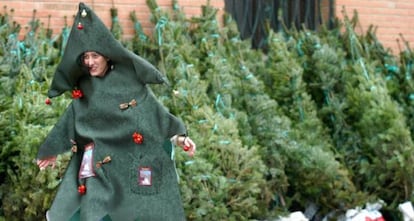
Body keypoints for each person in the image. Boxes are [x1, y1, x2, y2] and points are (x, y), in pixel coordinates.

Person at [36, 3, 196, 221]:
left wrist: (180, 139)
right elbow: (72, 118)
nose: (90, 62)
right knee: (84, 210)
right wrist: (52, 149)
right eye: (85, 57)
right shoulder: (84, 87)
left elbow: (156, 117)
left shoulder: (130, 84)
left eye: (95, 56)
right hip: (97, 170)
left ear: (107, 56)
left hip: (129, 169)